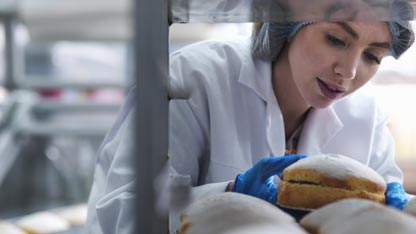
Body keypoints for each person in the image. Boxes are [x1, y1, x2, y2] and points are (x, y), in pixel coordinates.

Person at [86, 6, 415, 234]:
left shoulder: (366, 116)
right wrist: (232, 194)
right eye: (336, 39)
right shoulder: (194, 78)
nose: (350, 71)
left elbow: (386, 215)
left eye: (373, 56)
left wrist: (395, 213)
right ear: (289, 22)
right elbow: (122, 213)